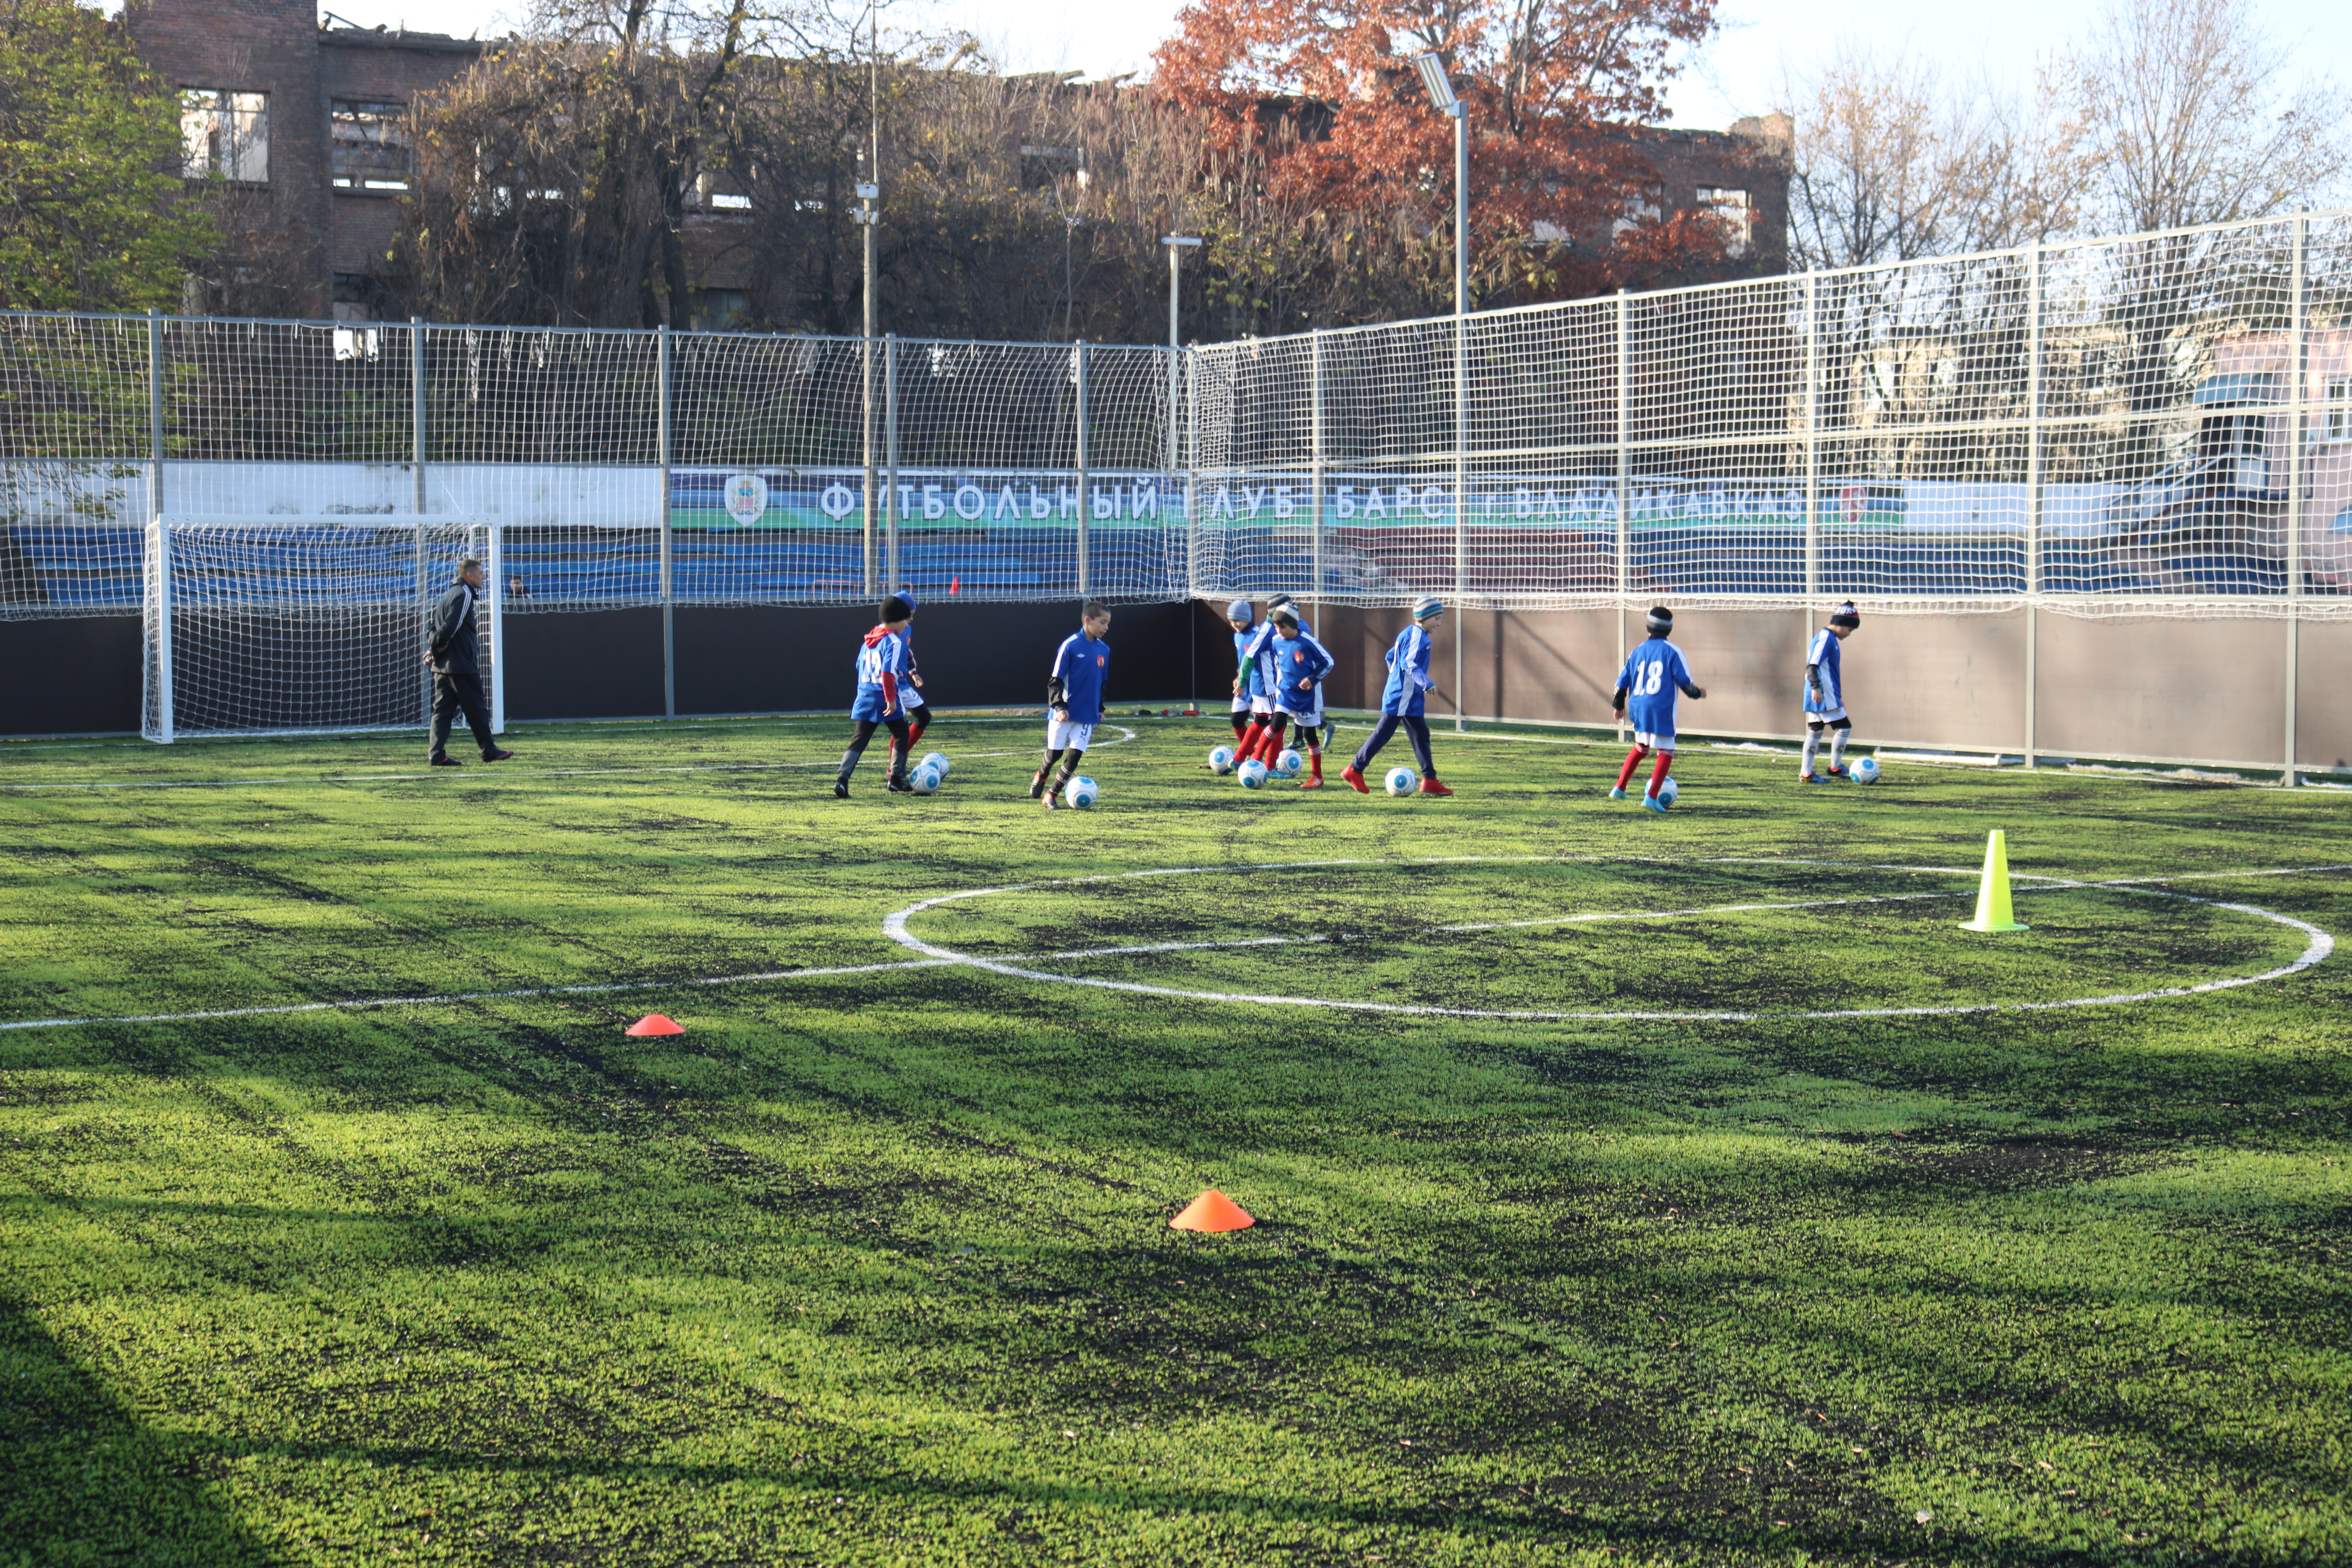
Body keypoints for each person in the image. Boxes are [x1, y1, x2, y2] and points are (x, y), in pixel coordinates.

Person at [1340, 595, 1452, 796]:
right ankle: (1354, 770)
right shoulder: (1418, 636)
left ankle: (1430, 779)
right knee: (1384, 733)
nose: (1439, 623)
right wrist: (1426, 684)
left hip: (1410, 698)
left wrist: (1396, 676)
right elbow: (1408, 664)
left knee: (1421, 735)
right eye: (1437, 618)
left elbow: (1391, 656)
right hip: (1402, 697)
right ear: (1424, 617)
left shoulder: (1410, 633)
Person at [1610, 606, 1706, 814]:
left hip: (1638, 706)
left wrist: (1618, 705)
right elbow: (1684, 682)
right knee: (1666, 752)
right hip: (1660, 707)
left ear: (1648, 627)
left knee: (1641, 748)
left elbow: (1622, 682)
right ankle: (1652, 797)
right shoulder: (1673, 651)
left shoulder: (1637, 651)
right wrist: (1697, 693)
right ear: (1669, 630)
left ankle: (1619, 788)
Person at [423, 556, 513, 768]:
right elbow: (451, 626)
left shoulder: (447, 595)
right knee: (477, 708)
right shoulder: (464, 594)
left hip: (444, 666)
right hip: (460, 664)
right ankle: (489, 750)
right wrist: (437, 647)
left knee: (443, 711)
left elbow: (432, 627)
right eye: (482, 573)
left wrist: (434, 650)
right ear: (470, 575)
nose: (484, 577)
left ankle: (437, 755)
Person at [833, 595, 916, 798]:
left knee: (859, 740)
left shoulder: (869, 639)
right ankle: (896, 779)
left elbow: (859, 667)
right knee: (902, 734)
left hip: (864, 696)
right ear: (896, 620)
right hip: (884, 697)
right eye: (905, 620)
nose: (907, 624)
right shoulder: (894, 642)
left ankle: (842, 780)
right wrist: (891, 700)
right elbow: (887, 673)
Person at [1033, 600, 1112, 808]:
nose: (1106, 628)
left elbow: (1101, 683)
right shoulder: (1070, 646)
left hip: (1087, 715)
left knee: (1075, 757)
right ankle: (1042, 774)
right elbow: (1056, 679)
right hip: (1065, 713)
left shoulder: (1104, 650)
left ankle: (1052, 795)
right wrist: (1059, 707)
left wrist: (1099, 709)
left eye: (1108, 623)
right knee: (1055, 755)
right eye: (1103, 622)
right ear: (1088, 621)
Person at [1236, 593, 1316, 765]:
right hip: (1270, 686)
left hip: (1281, 685)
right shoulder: (1269, 629)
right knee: (1277, 724)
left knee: (1262, 721)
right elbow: (1249, 658)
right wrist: (1242, 682)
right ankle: (1268, 765)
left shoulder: (1299, 626)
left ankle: (1239, 759)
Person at [1267, 606, 1335, 787]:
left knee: (1309, 735)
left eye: (1283, 628)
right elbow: (1279, 662)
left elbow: (1328, 662)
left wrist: (1313, 679)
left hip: (1305, 698)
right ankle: (1258, 761)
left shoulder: (1307, 642)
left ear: (1293, 625)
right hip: (1286, 693)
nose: (1280, 632)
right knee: (1276, 724)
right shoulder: (1276, 642)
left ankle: (1317, 777)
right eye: (1277, 628)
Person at [1800, 602, 1861, 783]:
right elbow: (1812, 665)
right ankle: (1835, 767)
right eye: (1849, 630)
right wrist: (1816, 688)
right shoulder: (1826, 638)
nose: (1849, 634)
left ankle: (1806, 774)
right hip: (1823, 695)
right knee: (1844, 728)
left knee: (1815, 731)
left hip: (1823, 695)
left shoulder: (1829, 639)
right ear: (1841, 624)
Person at [895, 584, 933, 760]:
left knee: (924, 717)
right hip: (890, 685)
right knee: (899, 728)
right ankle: (894, 766)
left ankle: (901, 756)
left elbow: (907, 652)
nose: (911, 619)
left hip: (903, 685)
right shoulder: (885, 631)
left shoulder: (906, 629)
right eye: (909, 615)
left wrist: (913, 672)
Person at [1224, 600, 1261, 750]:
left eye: (1237, 621)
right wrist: (1239, 676)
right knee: (1237, 721)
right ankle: (1249, 751)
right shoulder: (1237, 636)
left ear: (1247, 618)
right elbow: (1243, 661)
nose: (1235, 625)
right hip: (1242, 686)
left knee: (1264, 724)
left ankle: (1276, 750)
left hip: (1256, 686)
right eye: (1231, 622)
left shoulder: (1258, 635)